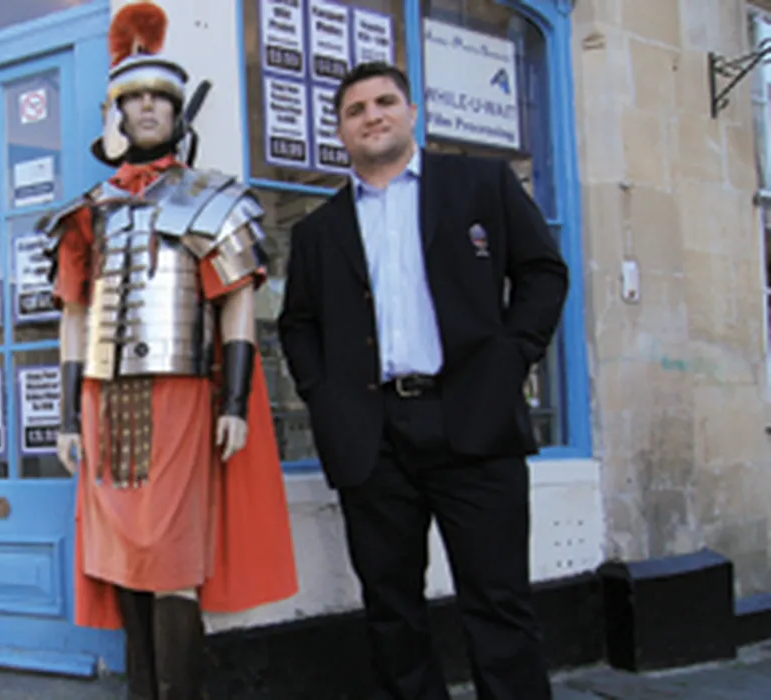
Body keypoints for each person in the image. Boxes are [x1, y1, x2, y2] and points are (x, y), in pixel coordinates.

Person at [277, 61, 568, 700]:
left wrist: (513, 356)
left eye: (385, 102)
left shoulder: (481, 183)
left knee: (498, 603)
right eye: (355, 110)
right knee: (392, 610)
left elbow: (543, 273)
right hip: (372, 438)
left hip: (475, 418)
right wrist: (324, 396)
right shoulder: (319, 230)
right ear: (341, 131)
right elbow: (297, 324)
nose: (372, 116)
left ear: (411, 113)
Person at [41, 2, 298, 698]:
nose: (148, 106)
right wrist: (66, 416)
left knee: (171, 551)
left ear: (178, 111)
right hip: (102, 398)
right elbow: (74, 315)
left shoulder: (216, 200)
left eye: (160, 96)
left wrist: (235, 401)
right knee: (119, 551)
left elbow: (235, 302)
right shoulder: (86, 212)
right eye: (135, 97)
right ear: (118, 114)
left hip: (181, 395)